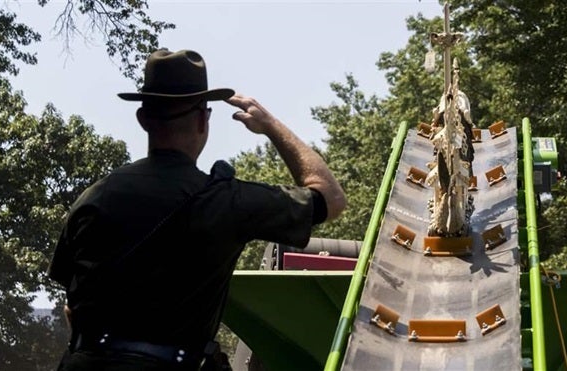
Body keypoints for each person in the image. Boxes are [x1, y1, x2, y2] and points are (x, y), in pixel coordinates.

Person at [47, 48, 346, 370]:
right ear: (204, 120)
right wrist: (270, 125)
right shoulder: (227, 201)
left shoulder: (95, 197)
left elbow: (70, 307)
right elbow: (330, 199)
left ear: (142, 118)